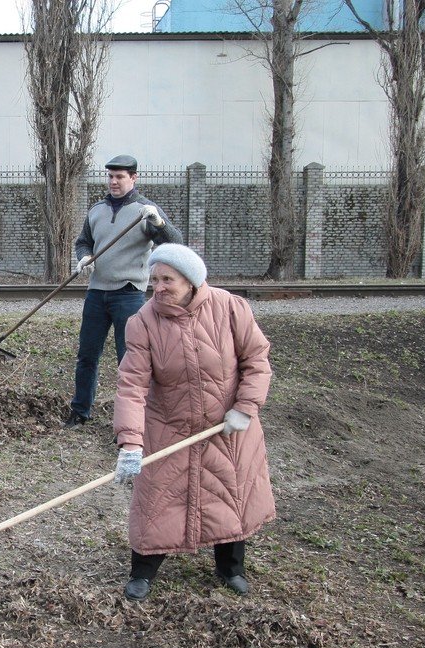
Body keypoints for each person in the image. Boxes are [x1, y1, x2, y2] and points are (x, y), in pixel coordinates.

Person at [111, 243, 275, 600]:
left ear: (191, 280)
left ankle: (231, 568)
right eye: (153, 279)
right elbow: (132, 385)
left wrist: (245, 408)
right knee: (157, 498)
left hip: (227, 426)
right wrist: (131, 441)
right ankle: (143, 572)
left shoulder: (230, 307)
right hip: (168, 426)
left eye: (167, 279)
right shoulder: (142, 323)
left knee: (229, 493)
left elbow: (256, 361)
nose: (158, 287)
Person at [63, 154, 183, 428]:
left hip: (128, 294)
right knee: (87, 356)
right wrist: (84, 256)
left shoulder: (145, 209)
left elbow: (174, 242)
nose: (114, 182)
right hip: (97, 293)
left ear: (133, 178)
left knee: (128, 360)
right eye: (110, 176)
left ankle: (130, 422)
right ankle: (80, 412)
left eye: (120, 177)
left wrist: (158, 223)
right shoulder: (97, 210)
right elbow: (83, 242)